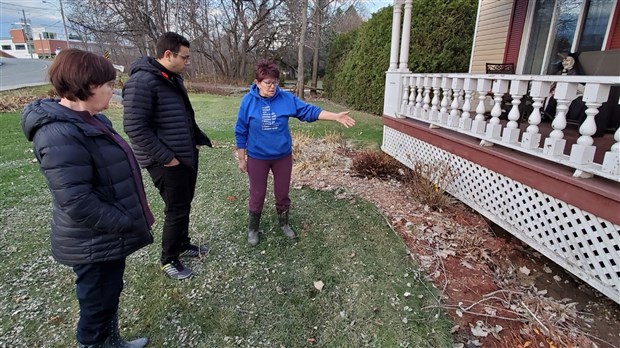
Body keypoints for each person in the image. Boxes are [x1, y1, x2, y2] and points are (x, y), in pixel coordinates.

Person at [21, 49, 153, 348]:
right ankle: (94, 343)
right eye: (109, 84)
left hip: (107, 236)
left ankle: (112, 341)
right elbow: (77, 201)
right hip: (92, 240)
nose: (113, 91)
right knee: (96, 303)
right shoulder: (58, 134)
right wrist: (126, 221)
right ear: (90, 86)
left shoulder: (93, 120)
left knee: (109, 293)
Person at [234, 60, 356, 246]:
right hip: (258, 157)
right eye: (268, 83)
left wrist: (335, 117)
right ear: (257, 82)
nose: (273, 87)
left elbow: (308, 111)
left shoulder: (285, 99)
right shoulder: (248, 102)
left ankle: (284, 224)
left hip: (282, 157)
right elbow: (240, 130)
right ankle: (253, 228)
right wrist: (242, 158)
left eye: (275, 82)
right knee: (257, 193)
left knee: (282, 193)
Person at [123, 32, 212, 280]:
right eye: (185, 57)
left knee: (183, 205)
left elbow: (183, 115)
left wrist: (194, 141)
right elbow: (135, 127)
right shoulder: (142, 82)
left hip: (183, 155)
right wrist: (167, 158)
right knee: (176, 208)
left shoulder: (171, 78)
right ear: (167, 55)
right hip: (166, 161)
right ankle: (168, 258)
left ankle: (182, 244)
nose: (188, 61)